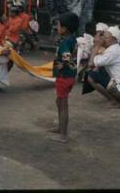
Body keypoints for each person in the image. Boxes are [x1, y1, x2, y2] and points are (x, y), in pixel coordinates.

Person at [85, 26, 120, 108]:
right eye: (103, 37)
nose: (103, 39)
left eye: (106, 38)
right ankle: (116, 98)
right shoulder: (116, 49)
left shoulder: (113, 51)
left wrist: (97, 46)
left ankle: (114, 101)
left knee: (91, 76)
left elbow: (91, 63)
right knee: (98, 69)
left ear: (114, 39)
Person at [48, 12, 79, 144]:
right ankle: (61, 127)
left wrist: (61, 65)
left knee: (63, 104)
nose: (57, 27)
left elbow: (66, 57)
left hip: (64, 76)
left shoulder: (65, 43)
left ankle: (63, 134)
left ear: (65, 28)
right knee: (59, 102)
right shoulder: (72, 39)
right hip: (70, 76)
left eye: (59, 25)